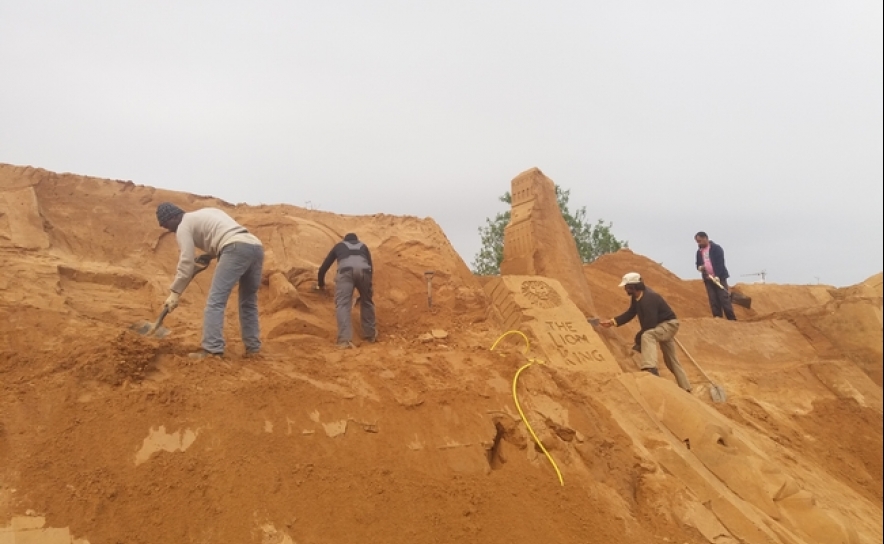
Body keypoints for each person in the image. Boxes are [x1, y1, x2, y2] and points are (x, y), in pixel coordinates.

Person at [155, 202, 265, 359]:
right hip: (255, 247)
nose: (169, 230)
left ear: (174, 217)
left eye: (166, 225)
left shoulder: (183, 226)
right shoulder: (207, 212)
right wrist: (209, 255)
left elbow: (186, 261)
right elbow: (224, 232)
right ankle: (253, 348)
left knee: (215, 302)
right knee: (248, 302)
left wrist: (175, 292)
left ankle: (212, 350)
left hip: (234, 248)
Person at [599, 272, 692, 392]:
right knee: (671, 360)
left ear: (634, 286)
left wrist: (638, 340)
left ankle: (650, 368)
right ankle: (686, 388)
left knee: (647, 335)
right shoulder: (636, 297)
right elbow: (631, 313)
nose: (625, 289)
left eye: (627, 287)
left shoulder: (650, 298)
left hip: (669, 325)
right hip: (659, 326)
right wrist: (613, 322)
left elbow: (650, 324)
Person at [317, 233, 377, 349]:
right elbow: (370, 266)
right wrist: (368, 287)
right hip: (365, 273)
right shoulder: (363, 246)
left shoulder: (339, 246)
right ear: (356, 240)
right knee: (367, 302)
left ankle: (344, 341)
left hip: (346, 273)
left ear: (345, 240)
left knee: (343, 305)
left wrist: (321, 284)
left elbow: (324, 267)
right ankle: (370, 336)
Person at [694, 231, 737, 320]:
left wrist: (717, 276)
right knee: (713, 300)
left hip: (719, 278)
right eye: (697, 241)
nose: (699, 243)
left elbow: (720, 263)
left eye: (700, 241)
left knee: (724, 298)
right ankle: (718, 319)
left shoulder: (716, 248)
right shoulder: (699, 252)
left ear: (705, 238)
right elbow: (697, 264)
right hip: (708, 279)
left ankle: (732, 319)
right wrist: (700, 268)